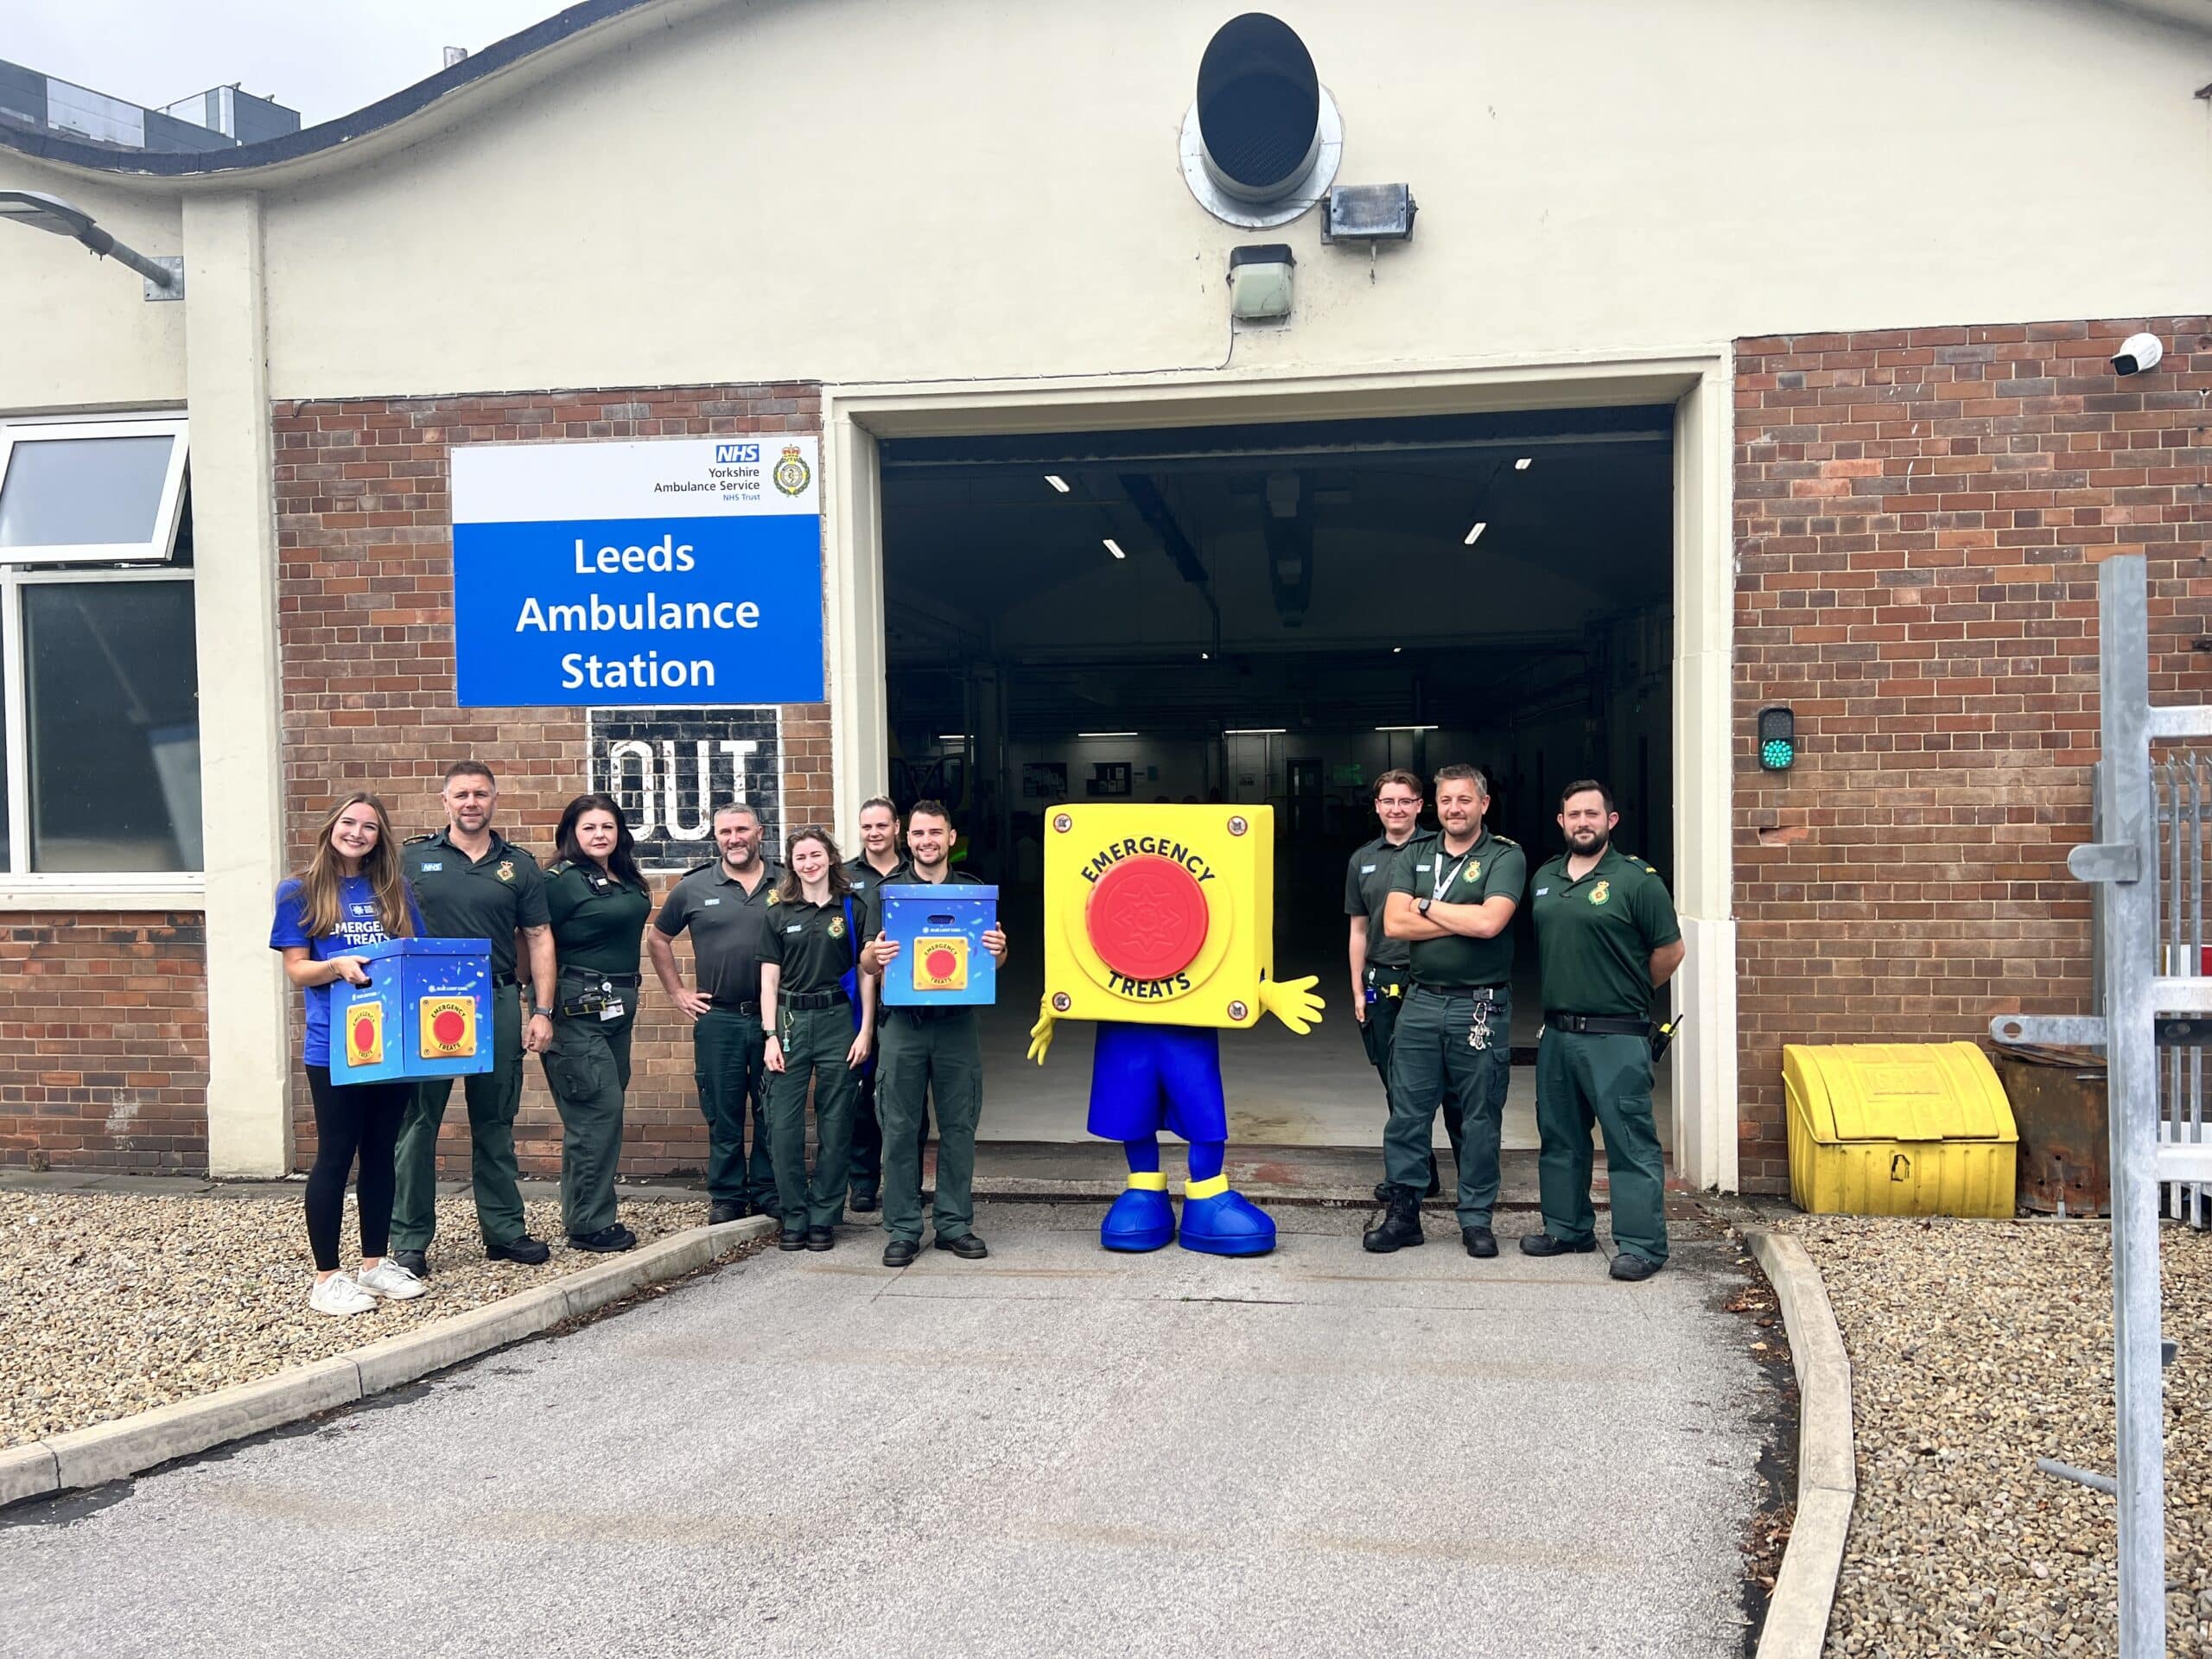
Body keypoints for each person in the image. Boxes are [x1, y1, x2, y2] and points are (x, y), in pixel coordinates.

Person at [389, 762, 556, 1276]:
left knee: (496, 1120)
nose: (471, 803)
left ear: (494, 800)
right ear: (445, 802)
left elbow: (539, 938)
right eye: (461, 794)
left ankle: (504, 1231)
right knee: (418, 1123)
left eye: (480, 794)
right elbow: (382, 926)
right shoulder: (412, 859)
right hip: (425, 1003)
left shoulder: (520, 866)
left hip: (496, 1000)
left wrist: (542, 1010)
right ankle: (409, 1239)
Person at [270, 792, 429, 1317]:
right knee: (336, 1155)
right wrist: (335, 965)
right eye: (348, 822)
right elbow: (297, 969)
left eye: (369, 826)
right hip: (334, 1044)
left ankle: (374, 1264)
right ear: (331, 827)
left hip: (393, 1045)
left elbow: (413, 957)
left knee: (381, 1153)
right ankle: (326, 1278)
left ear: (380, 837)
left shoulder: (395, 890)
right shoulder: (299, 891)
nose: (357, 833)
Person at [1524, 780, 1685, 1281]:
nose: (1583, 822)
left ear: (1610, 821)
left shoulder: (1637, 881)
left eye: (1593, 814)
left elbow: (1670, 951)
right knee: (1560, 1138)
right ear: (1561, 821)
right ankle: (1567, 1228)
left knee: (1628, 1141)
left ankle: (1641, 1244)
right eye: (1574, 814)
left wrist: (1631, 991)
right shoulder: (1545, 877)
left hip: (1617, 1035)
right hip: (1558, 1035)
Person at [1363, 764, 1526, 1258]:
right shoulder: (1415, 852)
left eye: (1464, 800)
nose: (1455, 809)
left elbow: (1491, 923)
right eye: (1446, 801)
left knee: (1478, 1117)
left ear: (1483, 804)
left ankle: (1476, 1220)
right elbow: (1393, 922)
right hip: (1419, 1002)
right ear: (1436, 806)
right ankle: (1404, 1214)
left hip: (1479, 1007)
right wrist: (1460, 915)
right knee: (1407, 1114)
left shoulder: (1505, 856)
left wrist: (1427, 907)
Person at [861, 799, 1007, 1268]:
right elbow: (864, 961)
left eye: (935, 833)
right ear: (909, 839)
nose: (926, 841)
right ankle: (903, 1228)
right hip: (903, 1026)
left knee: (960, 1126)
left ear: (950, 837)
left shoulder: (974, 891)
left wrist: (1001, 950)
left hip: (958, 1026)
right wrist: (875, 958)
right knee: (899, 1130)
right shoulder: (887, 893)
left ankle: (953, 1224)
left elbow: (992, 962)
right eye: (919, 834)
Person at [648, 803, 779, 1224]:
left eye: (742, 829)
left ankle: (766, 1190)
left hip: (773, 1018)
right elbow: (658, 939)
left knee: (771, 1108)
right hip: (719, 1018)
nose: (734, 838)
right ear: (716, 838)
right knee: (722, 1111)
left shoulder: (788, 882)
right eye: (725, 832)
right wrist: (677, 992)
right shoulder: (694, 887)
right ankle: (726, 1195)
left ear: (759, 833)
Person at [541, 792, 653, 1254]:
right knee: (597, 1110)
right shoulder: (561, 881)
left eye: (607, 826)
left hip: (617, 1005)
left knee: (598, 1112)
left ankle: (582, 1211)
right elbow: (532, 938)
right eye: (588, 828)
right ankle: (590, 1223)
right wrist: (539, 1007)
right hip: (575, 1008)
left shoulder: (624, 876)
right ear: (572, 833)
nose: (599, 835)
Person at [1345, 769, 1464, 1202]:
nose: (1396, 809)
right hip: (1380, 982)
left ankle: (1471, 1176)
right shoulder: (1363, 859)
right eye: (1387, 801)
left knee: (1452, 1083)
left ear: (1420, 806)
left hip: (1430, 981)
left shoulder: (1440, 852)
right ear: (1377, 807)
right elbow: (1359, 929)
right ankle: (1419, 1172)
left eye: (1405, 801)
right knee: (1397, 1085)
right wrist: (1359, 989)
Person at [762, 827, 877, 1252]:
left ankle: (825, 1217)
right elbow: (768, 979)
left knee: (837, 1121)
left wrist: (865, 1030)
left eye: (815, 855)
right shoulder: (778, 912)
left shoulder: (852, 907)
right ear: (791, 865)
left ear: (830, 858)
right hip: (790, 1021)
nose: (808, 863)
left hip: (837, 1021)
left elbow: (867, 972)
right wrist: (769, 1034)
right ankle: (794, 1215)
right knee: (784, 1126)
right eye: (800, 857)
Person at [841, 795, 918, 1212]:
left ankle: (908, 1183)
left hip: (906, 998)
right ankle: (864, 1181)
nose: (874, 833)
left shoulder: (916, 875)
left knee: (909, 1100)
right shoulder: (844, 876)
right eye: (867, 826)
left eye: (882, 826)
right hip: (855, 993)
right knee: (863, 1091)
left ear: (896, 829)